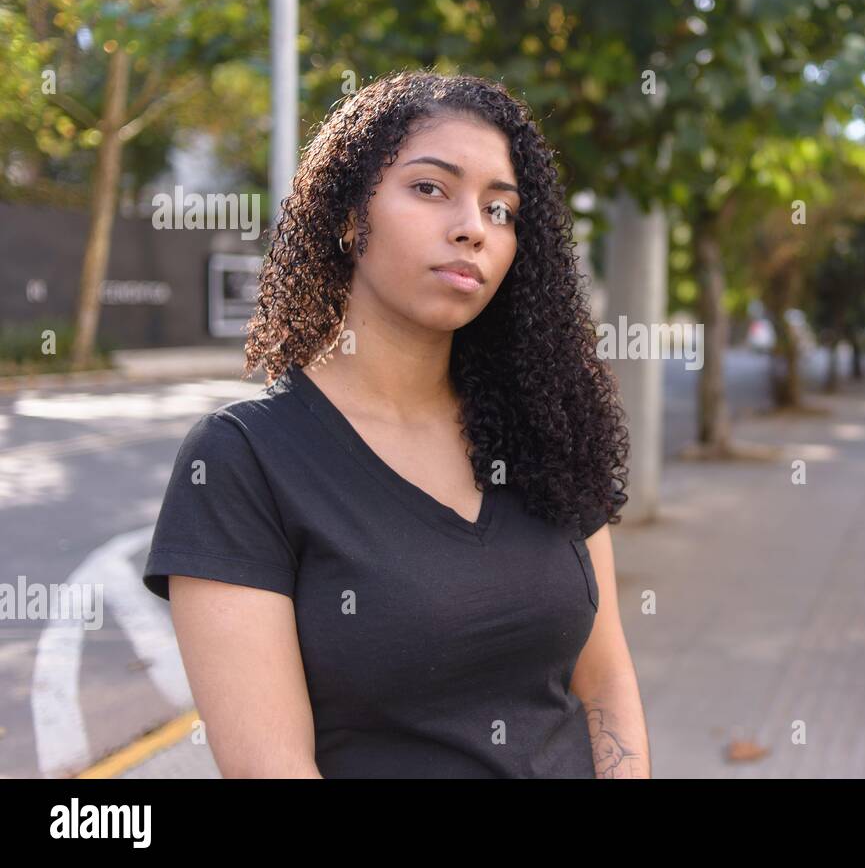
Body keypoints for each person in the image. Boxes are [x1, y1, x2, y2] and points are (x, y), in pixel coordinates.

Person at [142, 70, 649, 778]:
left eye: (500, 209)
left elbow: (606, 681)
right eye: (430, 188)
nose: (473, 226)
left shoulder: (549, 427)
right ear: (351, 216)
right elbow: (271, 768)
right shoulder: (243, 461)